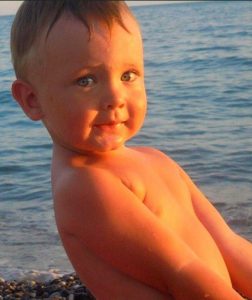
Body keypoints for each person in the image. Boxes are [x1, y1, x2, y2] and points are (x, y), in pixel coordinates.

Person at [10, 1, 252, 299]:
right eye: (86, 80)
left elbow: (229, 245)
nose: (115, 97)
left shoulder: (157, 161)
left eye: (128, 75)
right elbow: (183, 273)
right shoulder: (84, 185)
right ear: (32, 99)